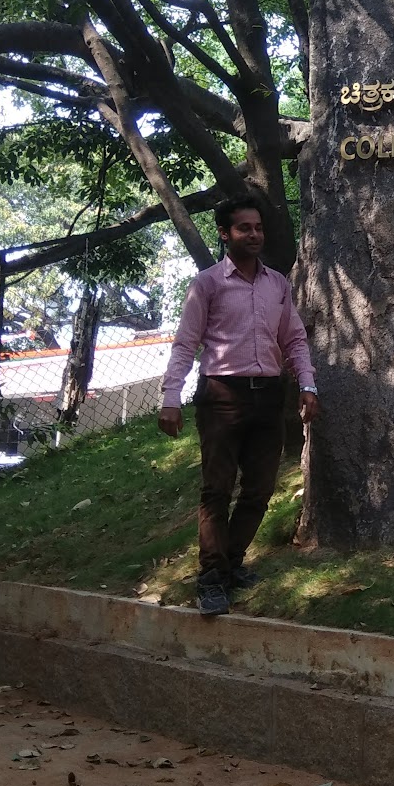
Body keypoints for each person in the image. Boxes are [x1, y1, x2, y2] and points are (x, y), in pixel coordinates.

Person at [158, 195, 319, 616]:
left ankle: (229, 563)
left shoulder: (277, 284)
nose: (254, 234)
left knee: (260, 489)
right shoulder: (207, 284)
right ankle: (212, 579)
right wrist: (170, 398)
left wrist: (307, 384)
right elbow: (185, 344)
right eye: (244, 228)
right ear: (225, 234)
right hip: (222, 396)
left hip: (268, 395)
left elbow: (294, 339)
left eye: (258, 228)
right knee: (217, 490)